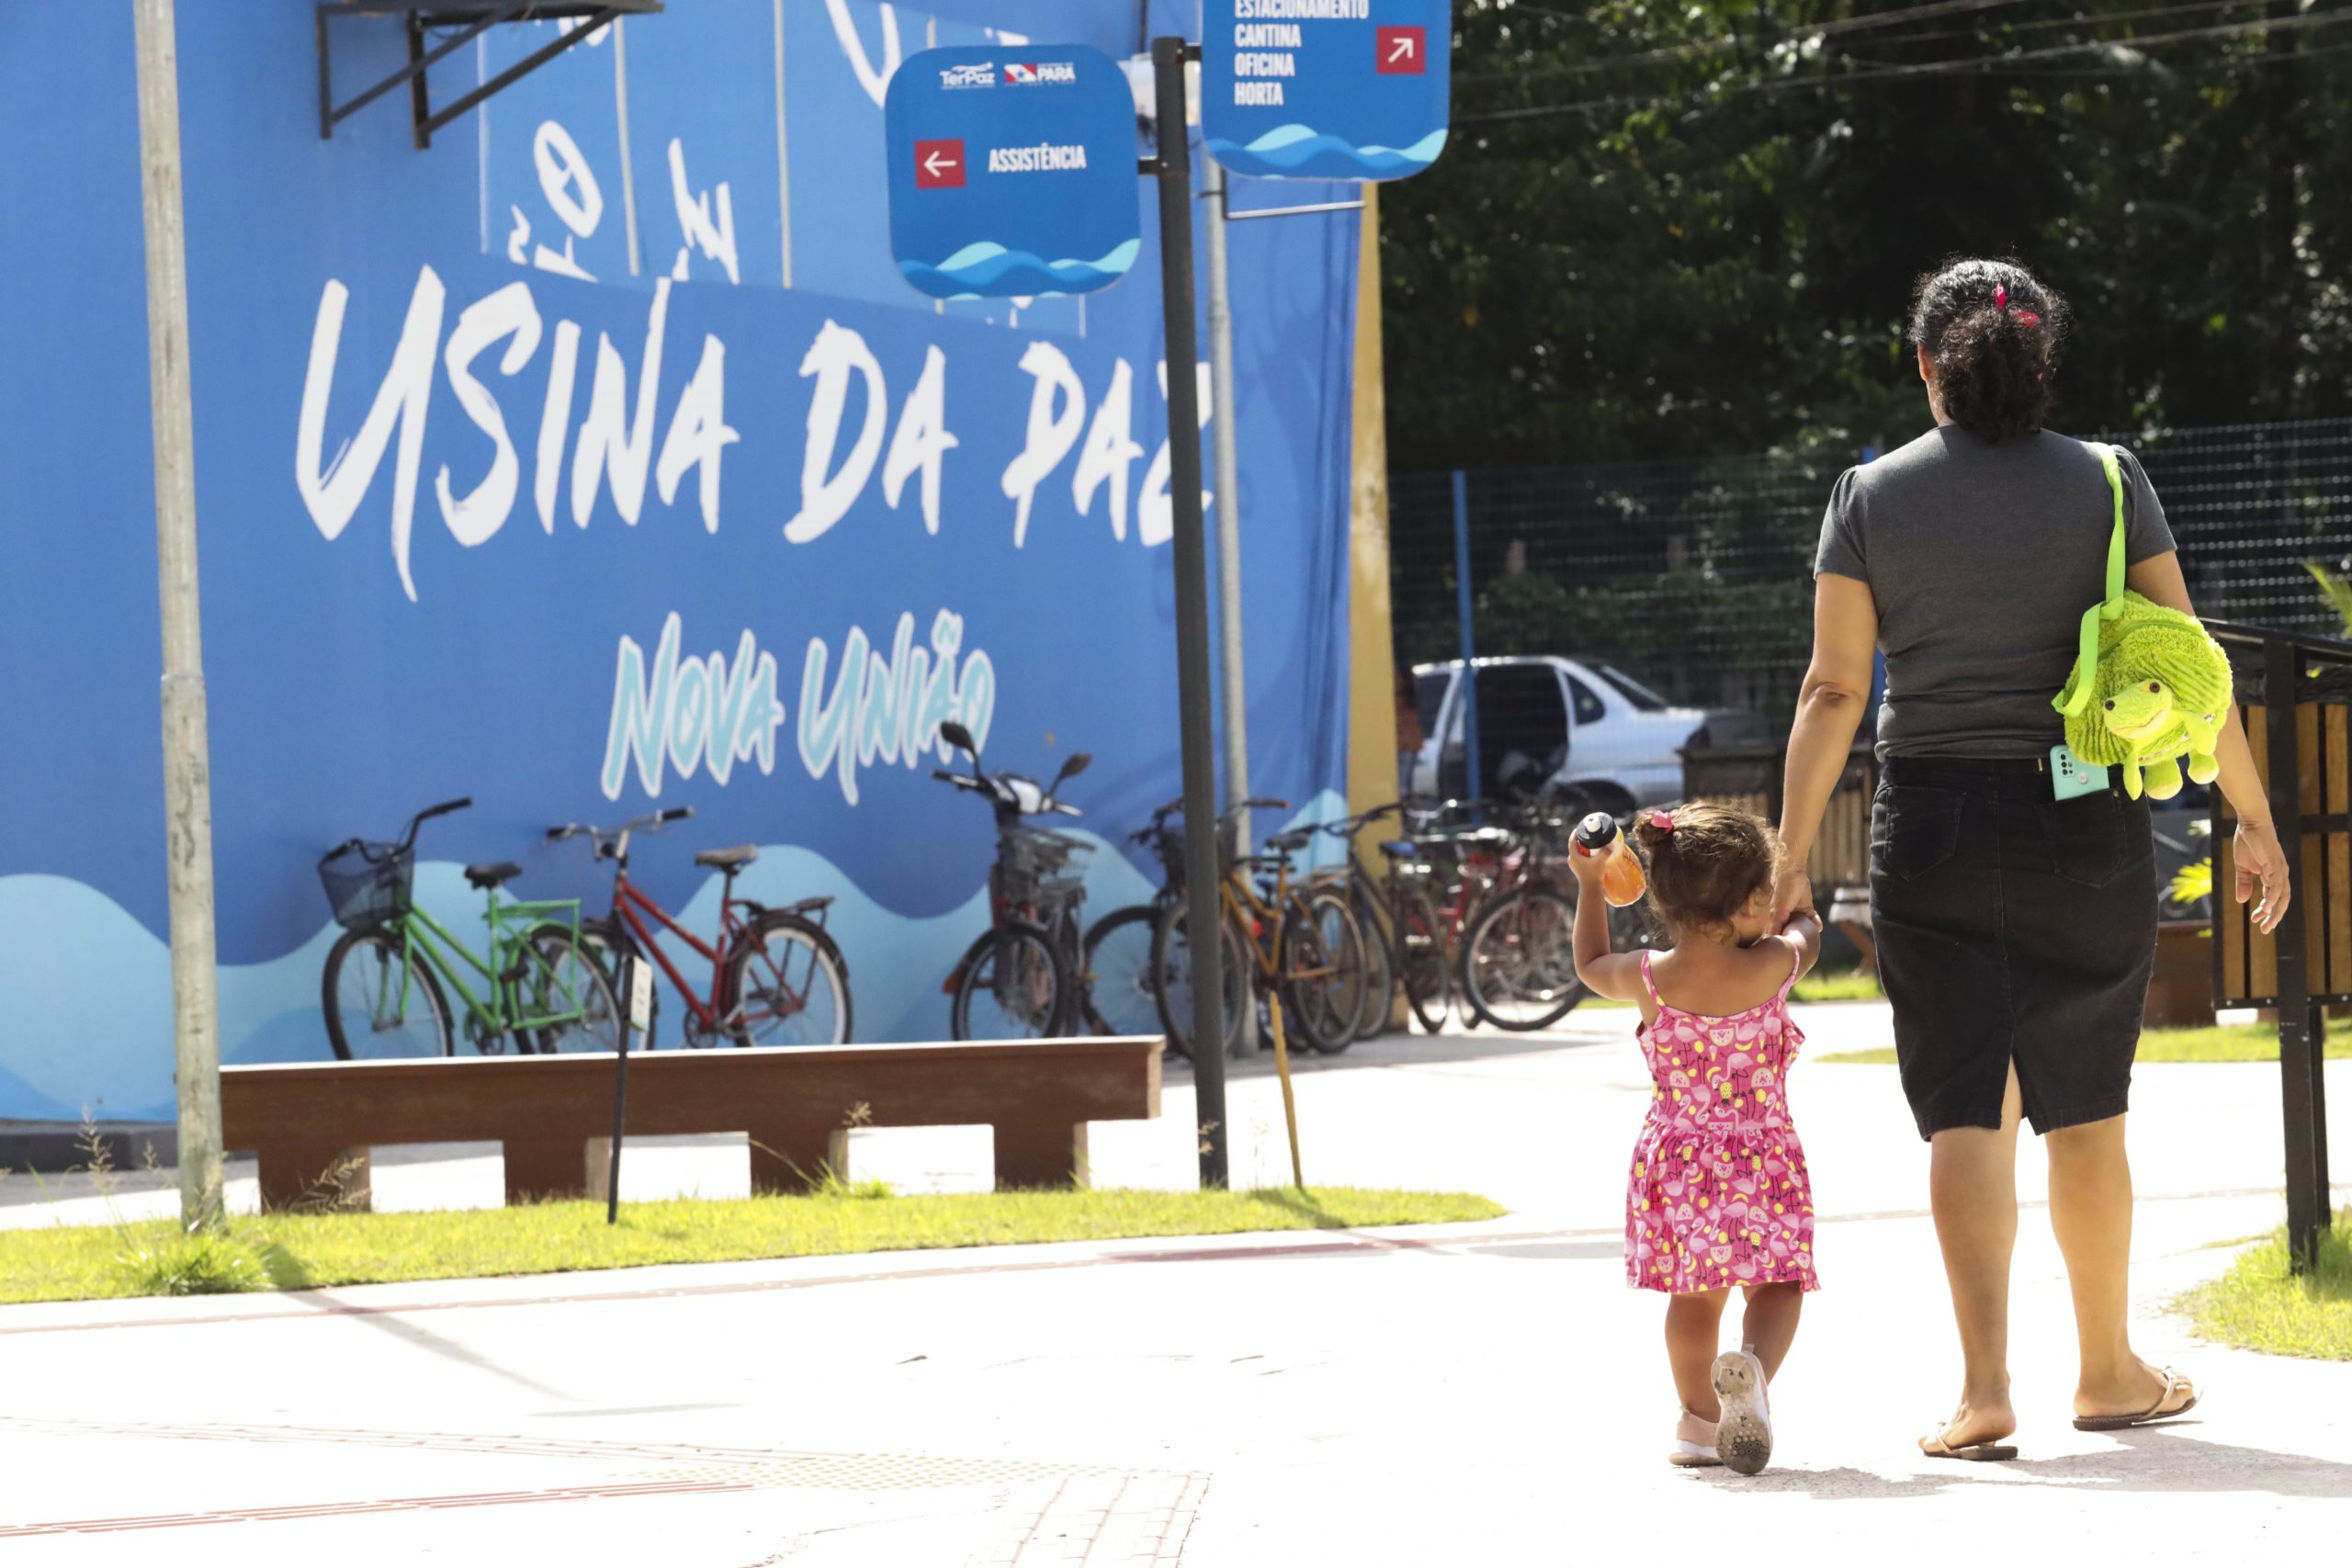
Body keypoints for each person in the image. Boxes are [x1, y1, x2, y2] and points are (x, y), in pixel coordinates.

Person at [1773, 256, 2293, 1462]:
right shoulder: (2111, 483)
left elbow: (1836, 685)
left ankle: (1984, 1387)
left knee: (1967, 1106)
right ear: (2039, 362)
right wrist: (2251, 815)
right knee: (2087, 1106)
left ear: (1925, 365)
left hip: (1933, 825)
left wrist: (1790, 854)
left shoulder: (1868, 495)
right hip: (2081, 823)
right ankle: (2109, 1369)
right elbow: (2187, 660)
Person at [1570, 802, 1824, 1475]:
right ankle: (1754, 1374)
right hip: (1763, 1156)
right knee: (1777, 1284)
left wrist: (1591, 884)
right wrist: (1801, 913)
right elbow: (1808, 939)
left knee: (1693, 1296)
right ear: (1748, 903)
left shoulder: (1650, 976)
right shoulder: (1773, 963)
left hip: (1679, 1161)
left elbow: (1591, 960)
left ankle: (1697, 1423)